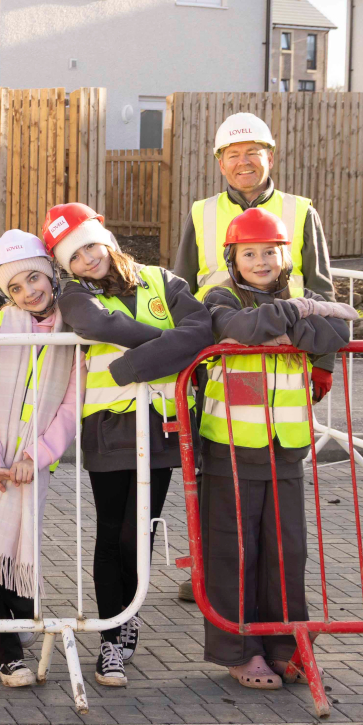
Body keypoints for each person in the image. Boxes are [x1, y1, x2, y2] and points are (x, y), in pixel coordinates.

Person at [47, 202, 212, 689]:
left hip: (160, 426)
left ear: (108, 238)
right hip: (109, 428)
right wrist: (166, 345)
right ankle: (111, 639)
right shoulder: (75, 295)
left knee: (139, 534)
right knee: (111, 532)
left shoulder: (163, 281)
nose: (87, 260)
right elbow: (100, 327)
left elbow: (201, 331)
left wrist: (131, 363)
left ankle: (127, 614)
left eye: (91, 247)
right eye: (74, 256)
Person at [197, 207, 356, 690]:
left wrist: (283, 325)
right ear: (233, 256)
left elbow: (338, 336)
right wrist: (294, 326)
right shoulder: (219, 295)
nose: (261, 261)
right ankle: (240, 649)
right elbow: (238, 329)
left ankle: (289, 646)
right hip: (230, 446)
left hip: (285, 447)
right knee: (233, 552)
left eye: (271, 251)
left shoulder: (300, 294)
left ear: (285, 255)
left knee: (286, 552)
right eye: (250, 252)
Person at [0, 230, 80, 688]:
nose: (30, 292)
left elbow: (71, 403)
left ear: (49, 271)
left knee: (17, 545)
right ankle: (5, 654)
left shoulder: (73, 329)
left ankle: (21, 617)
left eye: (34, 278)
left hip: (32, 464)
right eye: (16, 287)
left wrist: (36, 454)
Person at [173, 113, 332, 298]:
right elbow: (182, 288)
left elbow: (321, 291)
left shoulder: (302, 211)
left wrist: (328, 324)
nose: (244, 162)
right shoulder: (201, 213)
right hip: (215, 324)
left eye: (252, 153)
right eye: (233, 155)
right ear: (222, 165)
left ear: (270, 158)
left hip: (287, 323)